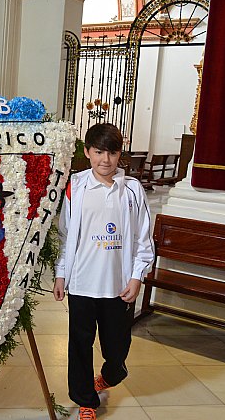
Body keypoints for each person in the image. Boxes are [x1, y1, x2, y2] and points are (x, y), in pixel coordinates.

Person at [53, 123, 154, 420]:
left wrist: (136, 277)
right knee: (80, 344)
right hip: (82, 282)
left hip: (118, 285)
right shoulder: (75, 187)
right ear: (87, 152)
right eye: (98, 152)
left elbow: (143, 239)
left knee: (117, 346)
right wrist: (61, 274)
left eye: (111, 152)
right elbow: (65, 235)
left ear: (120, 154)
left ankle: (111, 374)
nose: (105, 160)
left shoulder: (132, 190)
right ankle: (86, 400)